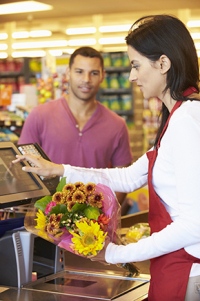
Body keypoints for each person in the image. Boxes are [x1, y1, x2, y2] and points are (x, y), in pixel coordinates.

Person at [13, 14, 200, 301]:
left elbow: (193, 223)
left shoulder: (188, 118)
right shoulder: (176, 119)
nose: (131, 76)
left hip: (187, 270)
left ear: (163, 64)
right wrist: (58, 169)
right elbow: (125, 176)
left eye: (136, 65)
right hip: (174, 265)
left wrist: (116, 252)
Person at [18, 46, 132, 206]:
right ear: (67, 73)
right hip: (47, 220)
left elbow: (123, 178)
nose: (86, 79)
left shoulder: (117, 125)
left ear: (102, 76)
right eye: (79, 71)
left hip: (95, 222)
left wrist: (107, 214)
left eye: (94, 73)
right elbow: (23, 168)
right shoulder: (39, 116)